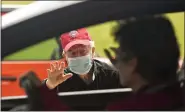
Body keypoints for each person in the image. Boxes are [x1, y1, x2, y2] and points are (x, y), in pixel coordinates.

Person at [34, 15, 184, 110]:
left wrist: (45, 96)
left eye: (117, 56)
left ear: (132, 63)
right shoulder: (177, 96)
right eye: (73, 53)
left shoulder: (126, 108)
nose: (115, 63)